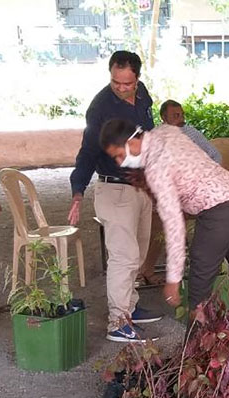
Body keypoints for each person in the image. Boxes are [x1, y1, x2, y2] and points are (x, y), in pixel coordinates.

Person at [98, 119, 229, 312]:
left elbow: (174, 226)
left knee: (200, 283)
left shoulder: (156, 169)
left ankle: (197, 339)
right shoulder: (165, 131)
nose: (120, 162)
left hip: (218, 211)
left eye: (119, 155)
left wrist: (173, 280)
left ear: (132, 142)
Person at [69, 50, 161, 342]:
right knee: (123, 256)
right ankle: (117, 321)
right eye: (115, 82)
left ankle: (130, 306)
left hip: (140, 186)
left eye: (127, 83)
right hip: (115, 189)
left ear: (137, 79)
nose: (121, 88)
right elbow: (87, 152)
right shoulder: (101, 108)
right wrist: (77, 191)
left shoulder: (142, 94)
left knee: (140, 251)